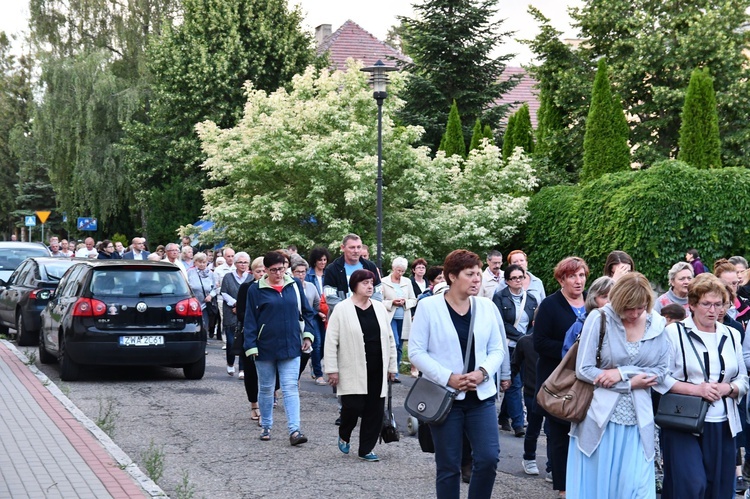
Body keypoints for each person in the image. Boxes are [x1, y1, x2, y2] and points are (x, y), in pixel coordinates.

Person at [409, 249, 508, 499]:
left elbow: (498, 348)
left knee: (488, 459)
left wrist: (483, 372)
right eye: (470, 274)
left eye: (478, 274)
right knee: (448, 466)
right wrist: (448, 377)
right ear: (452, 276)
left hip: (481, 397)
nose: (477, 279)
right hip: (445, 397)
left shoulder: (486, 307)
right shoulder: (429, 307)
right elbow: (416, 352)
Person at [566, 272, 670, 498]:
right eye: (628, 308)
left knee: (637, 489)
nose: (634, 314)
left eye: (640, 308)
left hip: (639, 423)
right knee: (599, 489)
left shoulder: (658, 324)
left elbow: (662, 372)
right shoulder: (600, 318)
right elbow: (583, 369)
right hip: (600, 419)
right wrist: (629, 383)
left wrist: (622, 373)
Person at [658, 273, 748, 499]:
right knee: (691, 485)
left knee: (719, 490)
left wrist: (728, 389)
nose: (713, 310)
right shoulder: (673, 333)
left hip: (723, 423)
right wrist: (697, 389)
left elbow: (743, 380)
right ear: (692, 305)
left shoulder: (731, 334)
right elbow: (660, 377)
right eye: (706, 304)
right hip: (682, 421)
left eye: (718, 304)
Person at [244, 251, 316, 445]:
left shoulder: (293, 285)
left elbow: (308, 313)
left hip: (291, 344)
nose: (278, 273)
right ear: (265, 270)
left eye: (282, 269)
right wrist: (250, 345)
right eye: (274, 270)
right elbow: (249, 319)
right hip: (264, 347)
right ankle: (266, 425)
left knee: (290, 387)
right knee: (267, 388)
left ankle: (295, 430)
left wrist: (308, 335)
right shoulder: (255, 290)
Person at [325, 269, 397, 461]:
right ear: (354, 286)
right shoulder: (342, 308)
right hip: (352, 366)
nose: (369, 286)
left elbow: (390, 338)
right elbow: (331, 340)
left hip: (377, 366)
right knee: (353, 406)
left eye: (371, 282)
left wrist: (392, 367)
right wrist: (332, 369)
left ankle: (366, 448)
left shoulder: (380, 307)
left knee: (375, 409)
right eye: (364, 283)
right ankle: (344, 433)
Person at [533, 256, 589, 498]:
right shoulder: (549, 305)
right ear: (561, 279)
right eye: (572, 276)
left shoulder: (592, 303)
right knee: (559, 434)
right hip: (558, 379)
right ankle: (564, 487)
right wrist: (572, 352)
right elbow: (540, 343)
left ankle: (583, 482)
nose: (578, 281)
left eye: (582, 275)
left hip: (586, 381)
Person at [493, 264, 538, 437]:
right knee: (514, 383)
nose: (518, 280)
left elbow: (536, 322)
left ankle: (504, 416)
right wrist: (520, 337)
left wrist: (528, 339)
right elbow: (500, 323)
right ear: (507, 281)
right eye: (514, 278)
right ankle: (519, 424)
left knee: (522, 383)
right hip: (508, 346)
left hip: (525, 347)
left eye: (521, 277)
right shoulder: (499, 298)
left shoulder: (532, 299)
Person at [291, 258, 327, 385]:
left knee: (318, 344)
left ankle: (315, 371)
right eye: (298, 272)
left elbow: (317, 304)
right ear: (292, 272)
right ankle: (307, 374)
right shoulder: (290, 287)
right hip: (295, 321)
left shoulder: (311, 286)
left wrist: (320, 312)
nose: (301, 275)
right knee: (301, 348)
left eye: (303, 272)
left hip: (311, 319)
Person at [323, 234, 382, 312]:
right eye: (352, 247)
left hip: (368, 314)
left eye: (359, 247)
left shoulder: (370, 266)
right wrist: (349, 312)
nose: (356, 251)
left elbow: (378, 291)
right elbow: (330, 297)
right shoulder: (332, 269)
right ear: (342, 248)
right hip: (342, 316)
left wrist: (369, 309)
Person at [382, 257, 417, 383]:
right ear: (393, 268)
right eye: (398, 270)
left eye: (402, 271)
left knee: (400, 346)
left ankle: (394, 373)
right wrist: (392, 302)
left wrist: (405, 302)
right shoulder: (384, 281)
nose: (400, 273)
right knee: (394, 343)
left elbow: (414, 299)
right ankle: (389, 370)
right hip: (391, 317)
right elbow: (379, 300)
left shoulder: (407, 281)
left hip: (404, 317)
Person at [221, 252, 251, 378]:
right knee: (231, 341)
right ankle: (230, 362)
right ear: (235, 263)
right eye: (240, 262)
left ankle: (242, 369)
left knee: (243, 341)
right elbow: (224, 292)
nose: (243, 265)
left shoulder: (250, 278)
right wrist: (235, 304)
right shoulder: (228, 277)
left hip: (244, 312)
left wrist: (240, 307)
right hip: (230, 312)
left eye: (245, 262)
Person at [187, 253, 217, 334]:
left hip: (206, 302)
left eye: (204, 262)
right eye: (200, 262)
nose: (202, 264)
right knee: (193, 321)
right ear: (195, 262)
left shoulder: (211, 273)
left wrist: (211, 295)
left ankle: (204, 337)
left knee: (205, 322)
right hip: (193, 302)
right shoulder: (190, 272)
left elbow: (215, 288)